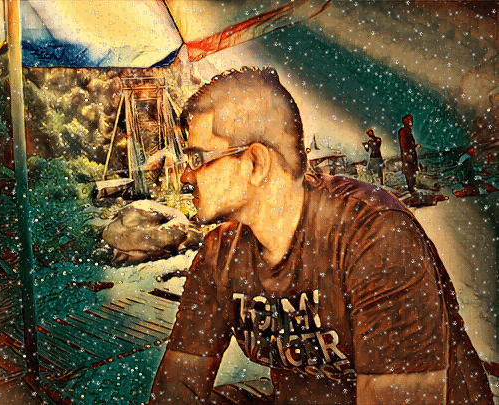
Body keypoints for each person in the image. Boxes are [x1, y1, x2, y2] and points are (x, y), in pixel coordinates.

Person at [149, 67, 493, 404]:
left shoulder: (376, 234)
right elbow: (176, 389)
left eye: (198, 158)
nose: (185, 176)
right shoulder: (219, 254)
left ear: (255, 163)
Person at [398, 115, 421, 193]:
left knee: (411, 173)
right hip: (408, 156)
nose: (411, 123)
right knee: (409, 173)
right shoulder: (403, 131)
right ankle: (412, 190)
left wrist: (415, 146)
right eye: (409, 121)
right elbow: (404, 145)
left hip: (410, 155)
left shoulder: (408, 131)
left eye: (411, 121)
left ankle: (412, 189)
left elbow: (408, 144)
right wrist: (409, 154)